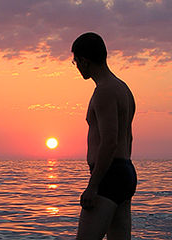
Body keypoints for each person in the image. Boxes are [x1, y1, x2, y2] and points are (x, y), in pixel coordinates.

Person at [71, 32, 137, 240]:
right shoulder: (124, 89)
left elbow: (109, 141)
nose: (77, 66)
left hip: (109, 175)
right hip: (124, 171)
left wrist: (93, 186)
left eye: (75, 62)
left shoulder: (104, 91)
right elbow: (128, 138)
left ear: (84, 60)